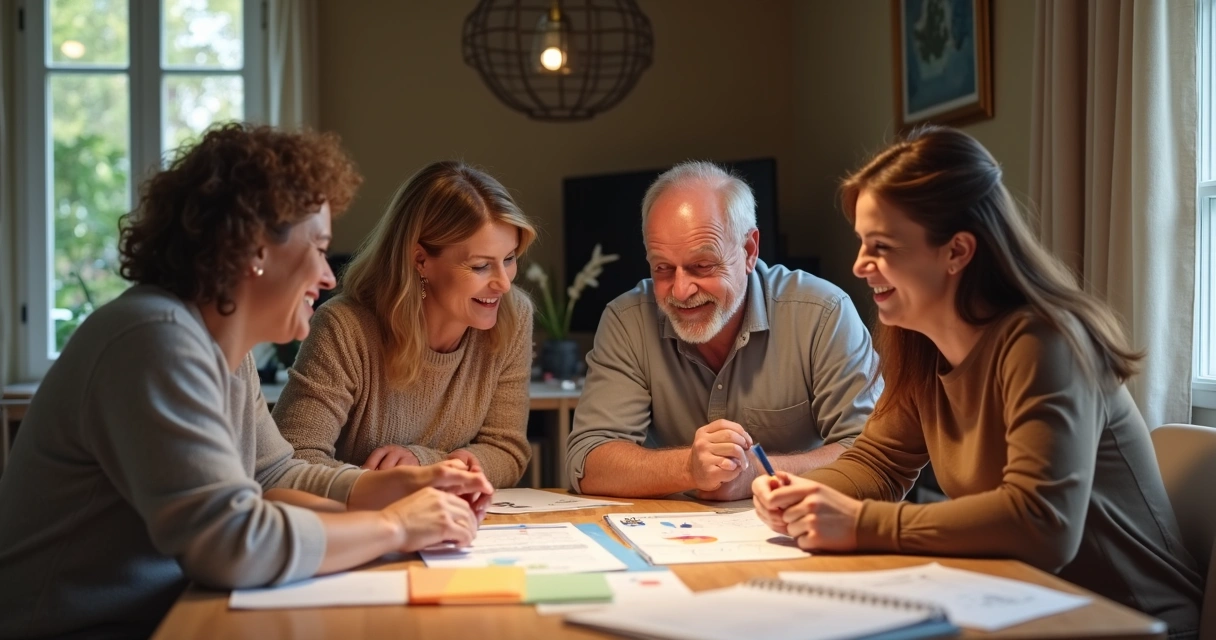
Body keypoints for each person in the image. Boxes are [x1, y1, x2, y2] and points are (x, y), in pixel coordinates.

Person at [0, 124, 494, 639]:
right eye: (319, 248)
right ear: (257, 248)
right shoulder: (154, 339)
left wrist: (391, 488)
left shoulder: (219, 349)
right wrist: (396, 525)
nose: (328, 276)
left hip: (160, 615)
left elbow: (274, 475)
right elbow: (231, 542)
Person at [752, 126, 1202, 637]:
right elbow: (877, 461)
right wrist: (799, 494)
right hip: (1021, 603)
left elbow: (1041, 523)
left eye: (881, 246)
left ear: (957, 251)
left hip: (1127, 620)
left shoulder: (1044, 341)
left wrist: (858, 524)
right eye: (861, 243)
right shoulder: (920, 340)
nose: (859, 265)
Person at [567, 161, 882, 500]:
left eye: (702, 266)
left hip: (800, 528)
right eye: (662, 269)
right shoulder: (627, 320)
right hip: (671, 536)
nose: (681, 290)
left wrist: (755, 474)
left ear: (749, 251)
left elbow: (872, 458)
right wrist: (688, 468)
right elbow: (588, 460)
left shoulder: (822, 313)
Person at [273, 161, 535, 489]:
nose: (504, 284)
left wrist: (425, 464)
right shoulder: (344, 328)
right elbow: (291, 462)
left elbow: (507, 452)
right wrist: (383, 489)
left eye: (508, 259)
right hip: (354, 529)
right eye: (481, 266)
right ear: (420, 260)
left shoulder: (514, 315)